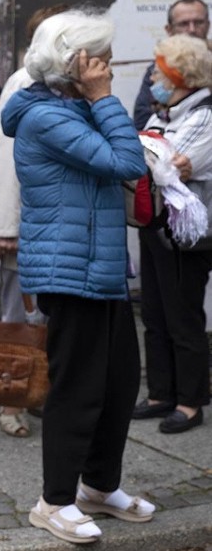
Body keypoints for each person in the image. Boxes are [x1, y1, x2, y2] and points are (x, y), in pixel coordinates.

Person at [1, 10, 155, 544]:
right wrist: (106, 96)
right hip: (70, 272)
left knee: (117, 386)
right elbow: (126, 160)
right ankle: (54, 501)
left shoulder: (71, 108)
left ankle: (98, 487)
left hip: (101, 267)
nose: (107, 66)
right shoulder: (47, 117)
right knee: (78, 391)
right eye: (99, 58)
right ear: (75, 63)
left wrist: (97, 100)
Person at [0, 5, 68, 438]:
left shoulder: (62, 84)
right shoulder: (22, 83)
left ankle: (36, 390)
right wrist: (6, 227)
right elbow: (3, 162)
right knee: (17, 319)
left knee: (43, 321)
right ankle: (8, 401)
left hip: (50, 226)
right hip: (21, 227)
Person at [132, 34, 212, 434]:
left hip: (186, 235)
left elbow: (167, 167)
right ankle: (161, 392)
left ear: (181, 76)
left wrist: (151, 156)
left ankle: (190, 400)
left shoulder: (204, 116)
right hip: (155, 226)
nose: (152, 79)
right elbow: (149, 161)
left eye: (160, 71)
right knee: (154, 314)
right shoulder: (163, 113)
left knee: (183, 317)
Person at [133, 0, 209, 130]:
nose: (192, 29)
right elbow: (142, 118)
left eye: (198, 22)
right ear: (169, 29)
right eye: (184, 24)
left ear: (208, 25)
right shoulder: (161, 67)